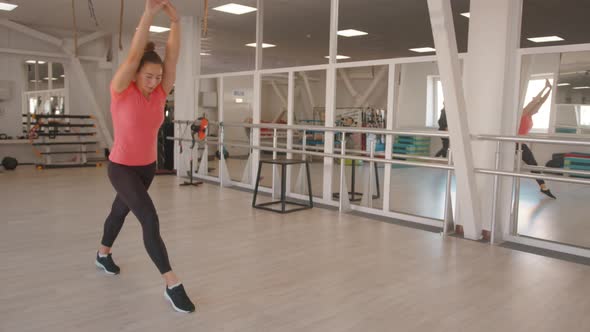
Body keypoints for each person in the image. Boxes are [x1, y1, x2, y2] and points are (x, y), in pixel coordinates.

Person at [95, 0, 196, 313]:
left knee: (119, 213)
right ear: (136, 73)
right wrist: (149, 14)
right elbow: (135, 53)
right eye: (148, 76)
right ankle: (171, 282)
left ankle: (102, 253)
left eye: (157, 77)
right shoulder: (122, 89)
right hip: (121, 167)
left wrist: (177, 23)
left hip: (147, 168)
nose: (154, 82)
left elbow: (173, 58)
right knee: (149, 218)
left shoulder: (161, 93)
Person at [518, 79, 556, 199]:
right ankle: (543, 187)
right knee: (533, 165)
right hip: (514, 144)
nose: (537, 107)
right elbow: (536, 101)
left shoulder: (529, 116)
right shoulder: (523, 113)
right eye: (535, 104)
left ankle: (543, 187)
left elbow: (541, 102)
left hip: (520, 144)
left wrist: (549, 89)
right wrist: (544, 88)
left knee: (533, 165)